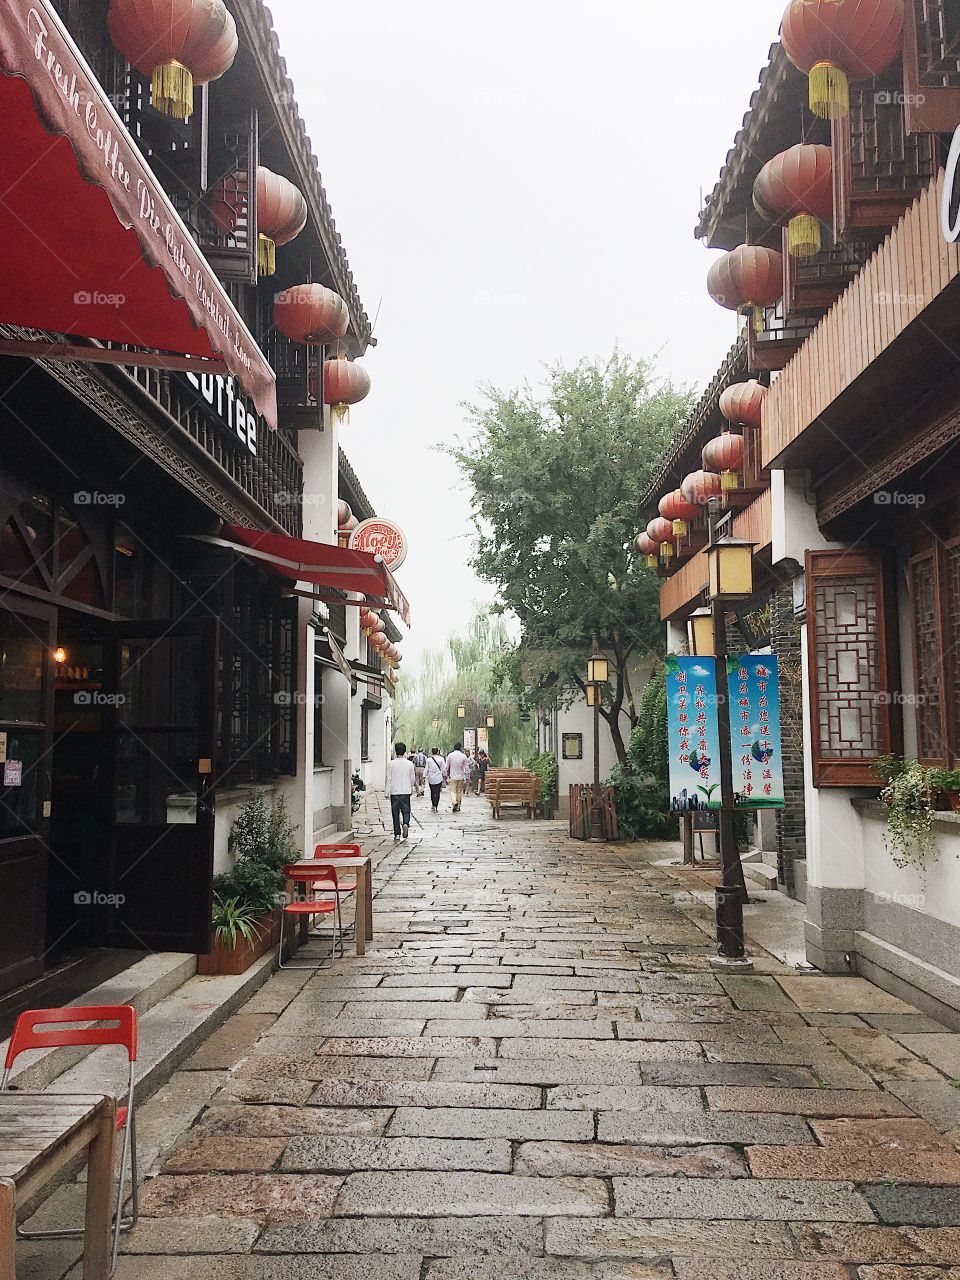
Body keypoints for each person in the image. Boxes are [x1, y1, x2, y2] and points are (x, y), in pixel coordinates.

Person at [386, 741, 416, 840]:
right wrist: (411, 788)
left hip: (394, 792)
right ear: (404, 751)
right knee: (406, 811)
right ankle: (406, 823)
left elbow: (389, 778)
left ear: (396, 751)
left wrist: (387, 792)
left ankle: (397, 833)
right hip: (405, 791)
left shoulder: (391, 763)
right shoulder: (409, 764)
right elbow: (412, 778)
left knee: (395, 812)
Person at [443, 741, 469, 813]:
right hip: (460, 776)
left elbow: (446, 766)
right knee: (459, 792)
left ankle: (454, 802)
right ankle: (459, 805)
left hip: (453, 776)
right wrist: (467, 777)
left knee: (452, 791)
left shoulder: (450, 755)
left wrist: (445, 775)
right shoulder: (463, 756)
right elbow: (466, 768)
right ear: (460, 748)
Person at [425, 747, 445, 812]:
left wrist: (423, 775)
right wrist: (445, 775)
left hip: (431, 778)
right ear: (438, 752)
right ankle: (436, 805)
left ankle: (433, 804)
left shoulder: (429, 760)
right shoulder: (441, 759)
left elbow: (426, 768)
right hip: (439, 778)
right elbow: (443, 768)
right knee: (437, 792)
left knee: (432, 792)